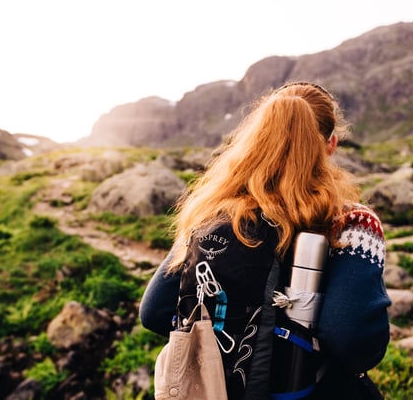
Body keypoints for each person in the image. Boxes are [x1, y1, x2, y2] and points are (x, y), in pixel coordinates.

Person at [140, 82, 390, 399]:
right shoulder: (352, 223)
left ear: (257, 141)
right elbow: (352, 340)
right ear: (330, 145)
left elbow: (154, 311)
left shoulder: (213, 214)